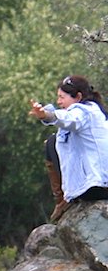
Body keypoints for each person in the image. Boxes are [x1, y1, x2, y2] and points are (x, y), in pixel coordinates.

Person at [29, 75, 108, 222]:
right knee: (54, 141)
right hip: (100, 182)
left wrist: (46, 115)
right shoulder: (96, 112)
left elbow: (69, 118)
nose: (59, 101)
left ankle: (61, 201)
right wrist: (46, 114)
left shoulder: (84, 112)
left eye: (62, 97)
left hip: (97, 186)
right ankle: (61, 200)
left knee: (51, 143)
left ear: (78, 97)